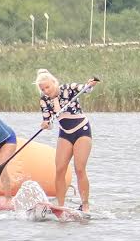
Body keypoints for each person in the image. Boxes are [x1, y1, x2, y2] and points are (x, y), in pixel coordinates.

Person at [38, 69, 99, 211]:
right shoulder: (44, 100)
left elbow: (84, 89)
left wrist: (90, 84)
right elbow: (48, 121)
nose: (46, 91)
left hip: (81, 129)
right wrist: (45, 124)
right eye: (43, 89)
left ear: (54, 83)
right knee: (59, 169)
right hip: (65, 133)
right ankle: (60, 206)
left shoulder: (68, 88)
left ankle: (85, 205)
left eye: (48, 87)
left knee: (79, 168)